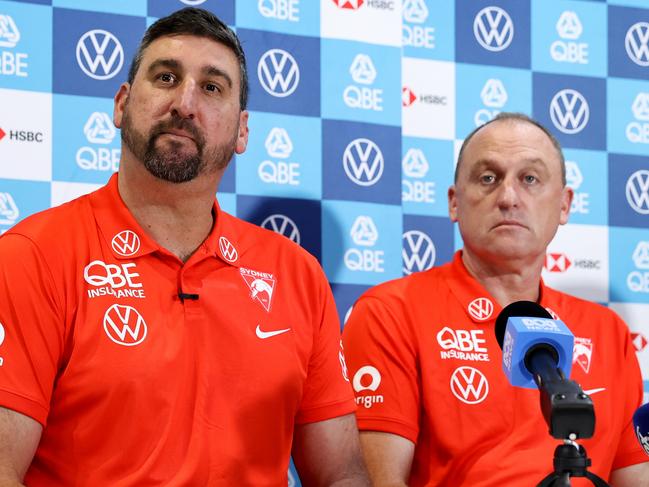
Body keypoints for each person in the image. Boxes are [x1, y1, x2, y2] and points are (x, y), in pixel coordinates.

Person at [0, 8, 369, 486]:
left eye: (212, 87)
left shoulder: (296, 274)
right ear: (121, 105)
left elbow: (341, 475)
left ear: (242, 131)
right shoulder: (33, 254)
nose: (185, 103)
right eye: (166, 77)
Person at [342, 113, 649, 486]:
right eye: (488, 178)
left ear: (564, 205)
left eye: (530, 179)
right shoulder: (391, 312)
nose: (507, 197)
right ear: (454, 203)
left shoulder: (608, 333)